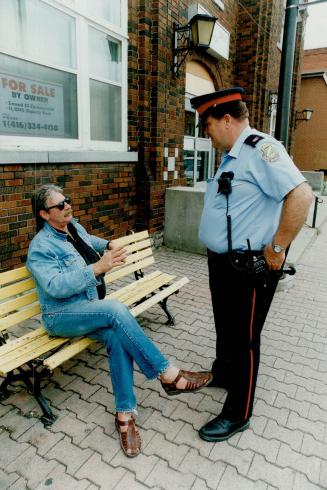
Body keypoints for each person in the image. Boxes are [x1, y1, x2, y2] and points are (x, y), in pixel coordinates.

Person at [27, 184, 212, 458]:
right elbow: (55, 286)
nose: (67, 206)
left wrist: (109, 244)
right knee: (115, 310)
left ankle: (124, 415)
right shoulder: (40, 247)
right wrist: (98, 268)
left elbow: (89, 241)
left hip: (87, 308)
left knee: (116, 335)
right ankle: (167, 374)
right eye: (60, 205)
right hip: (61, 316)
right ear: (44, 214)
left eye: (67, 200)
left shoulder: (71, 227)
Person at [190, 87, 312, 442]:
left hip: (247, 267)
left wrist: (277, 248)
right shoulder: (233, 155)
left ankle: (238, 413)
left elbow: (301, 195)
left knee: (244, 338)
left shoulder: (261, 149)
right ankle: (224, 375)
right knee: (226, 329)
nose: (206, 134)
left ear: (227, 119)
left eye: (207, 125)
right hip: (223, 263)